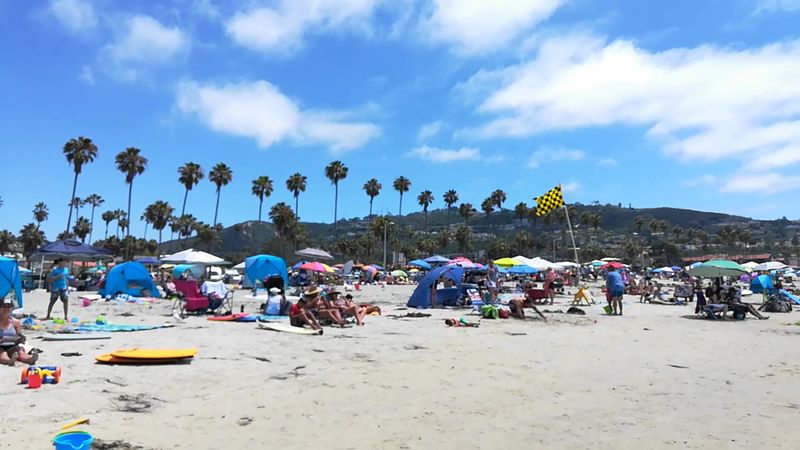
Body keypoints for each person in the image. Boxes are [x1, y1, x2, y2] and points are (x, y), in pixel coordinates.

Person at [1, 298, 37, 366]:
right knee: (3, 354)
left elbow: (20, 335)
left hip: (12, 345)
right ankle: (9, 361)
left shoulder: (16, 322)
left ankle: (30, 359)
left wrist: (21, 339)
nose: (6, 309)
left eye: (9, 307)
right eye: (4, 307)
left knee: (21, 353)